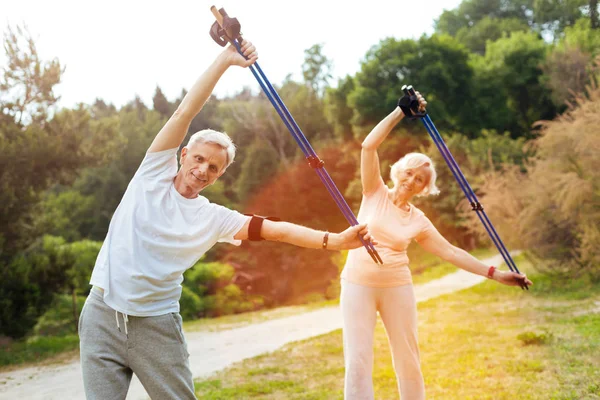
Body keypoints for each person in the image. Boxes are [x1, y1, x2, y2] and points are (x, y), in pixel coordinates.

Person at [78, 39, 374, 400]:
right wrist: (225, 60)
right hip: (101, 314)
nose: (203, 170)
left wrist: (334, 240)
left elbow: (274, 230)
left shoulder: (212, 218)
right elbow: (183, 113)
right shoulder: (151, 174)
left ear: (220, 176)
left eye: (214, 168)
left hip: (155, 324)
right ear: (184, 154)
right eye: (199, 159)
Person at [340, 92, 532, 400]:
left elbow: (452, 252)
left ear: (424, 188)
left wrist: (496, 274)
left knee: (408, 359)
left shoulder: (418, 220)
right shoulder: (373, 191)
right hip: (356, 284)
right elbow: (368, 146)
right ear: (398, 171)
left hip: (396, 287)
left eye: (419, 179)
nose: (411, 180)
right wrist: (400, 112)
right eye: (410, 172)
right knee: (358, 361)